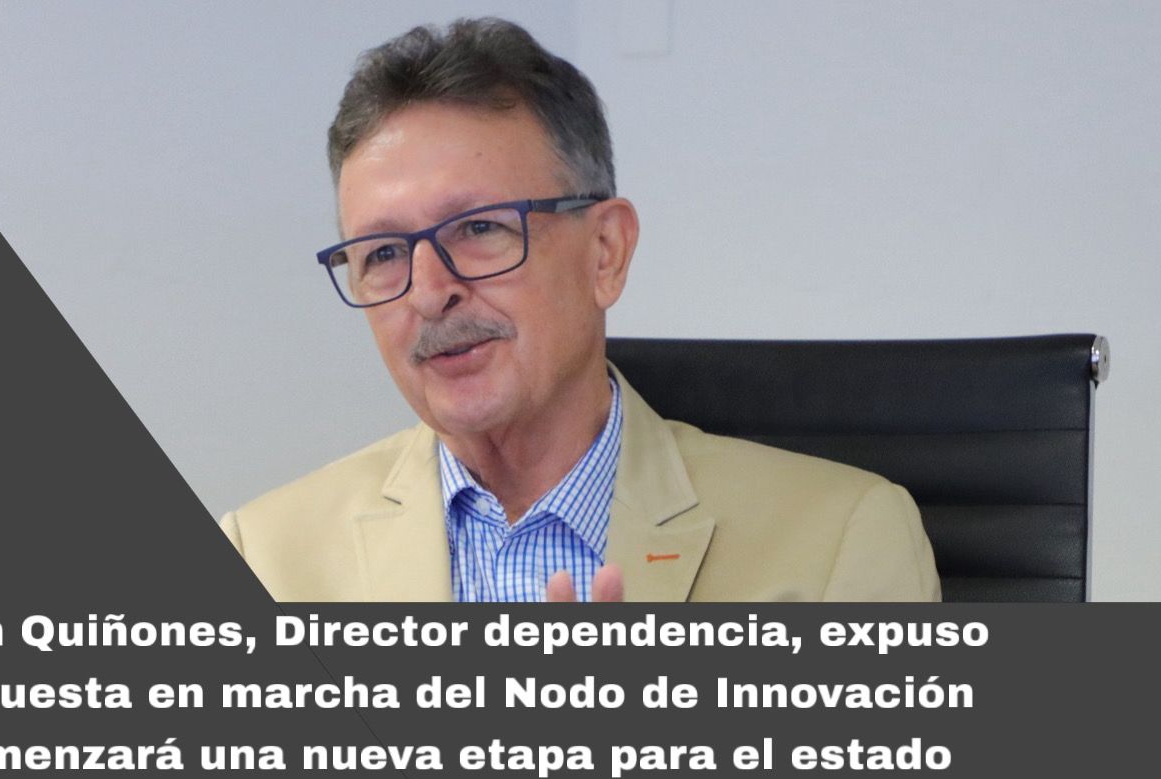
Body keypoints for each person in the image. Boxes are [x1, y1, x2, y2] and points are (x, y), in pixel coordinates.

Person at [220, 18, 940, 603]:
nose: (427, 291)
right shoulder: (265, 558)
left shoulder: (838, 543)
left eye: (479, 228)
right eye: (382, 252)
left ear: (605, 253)